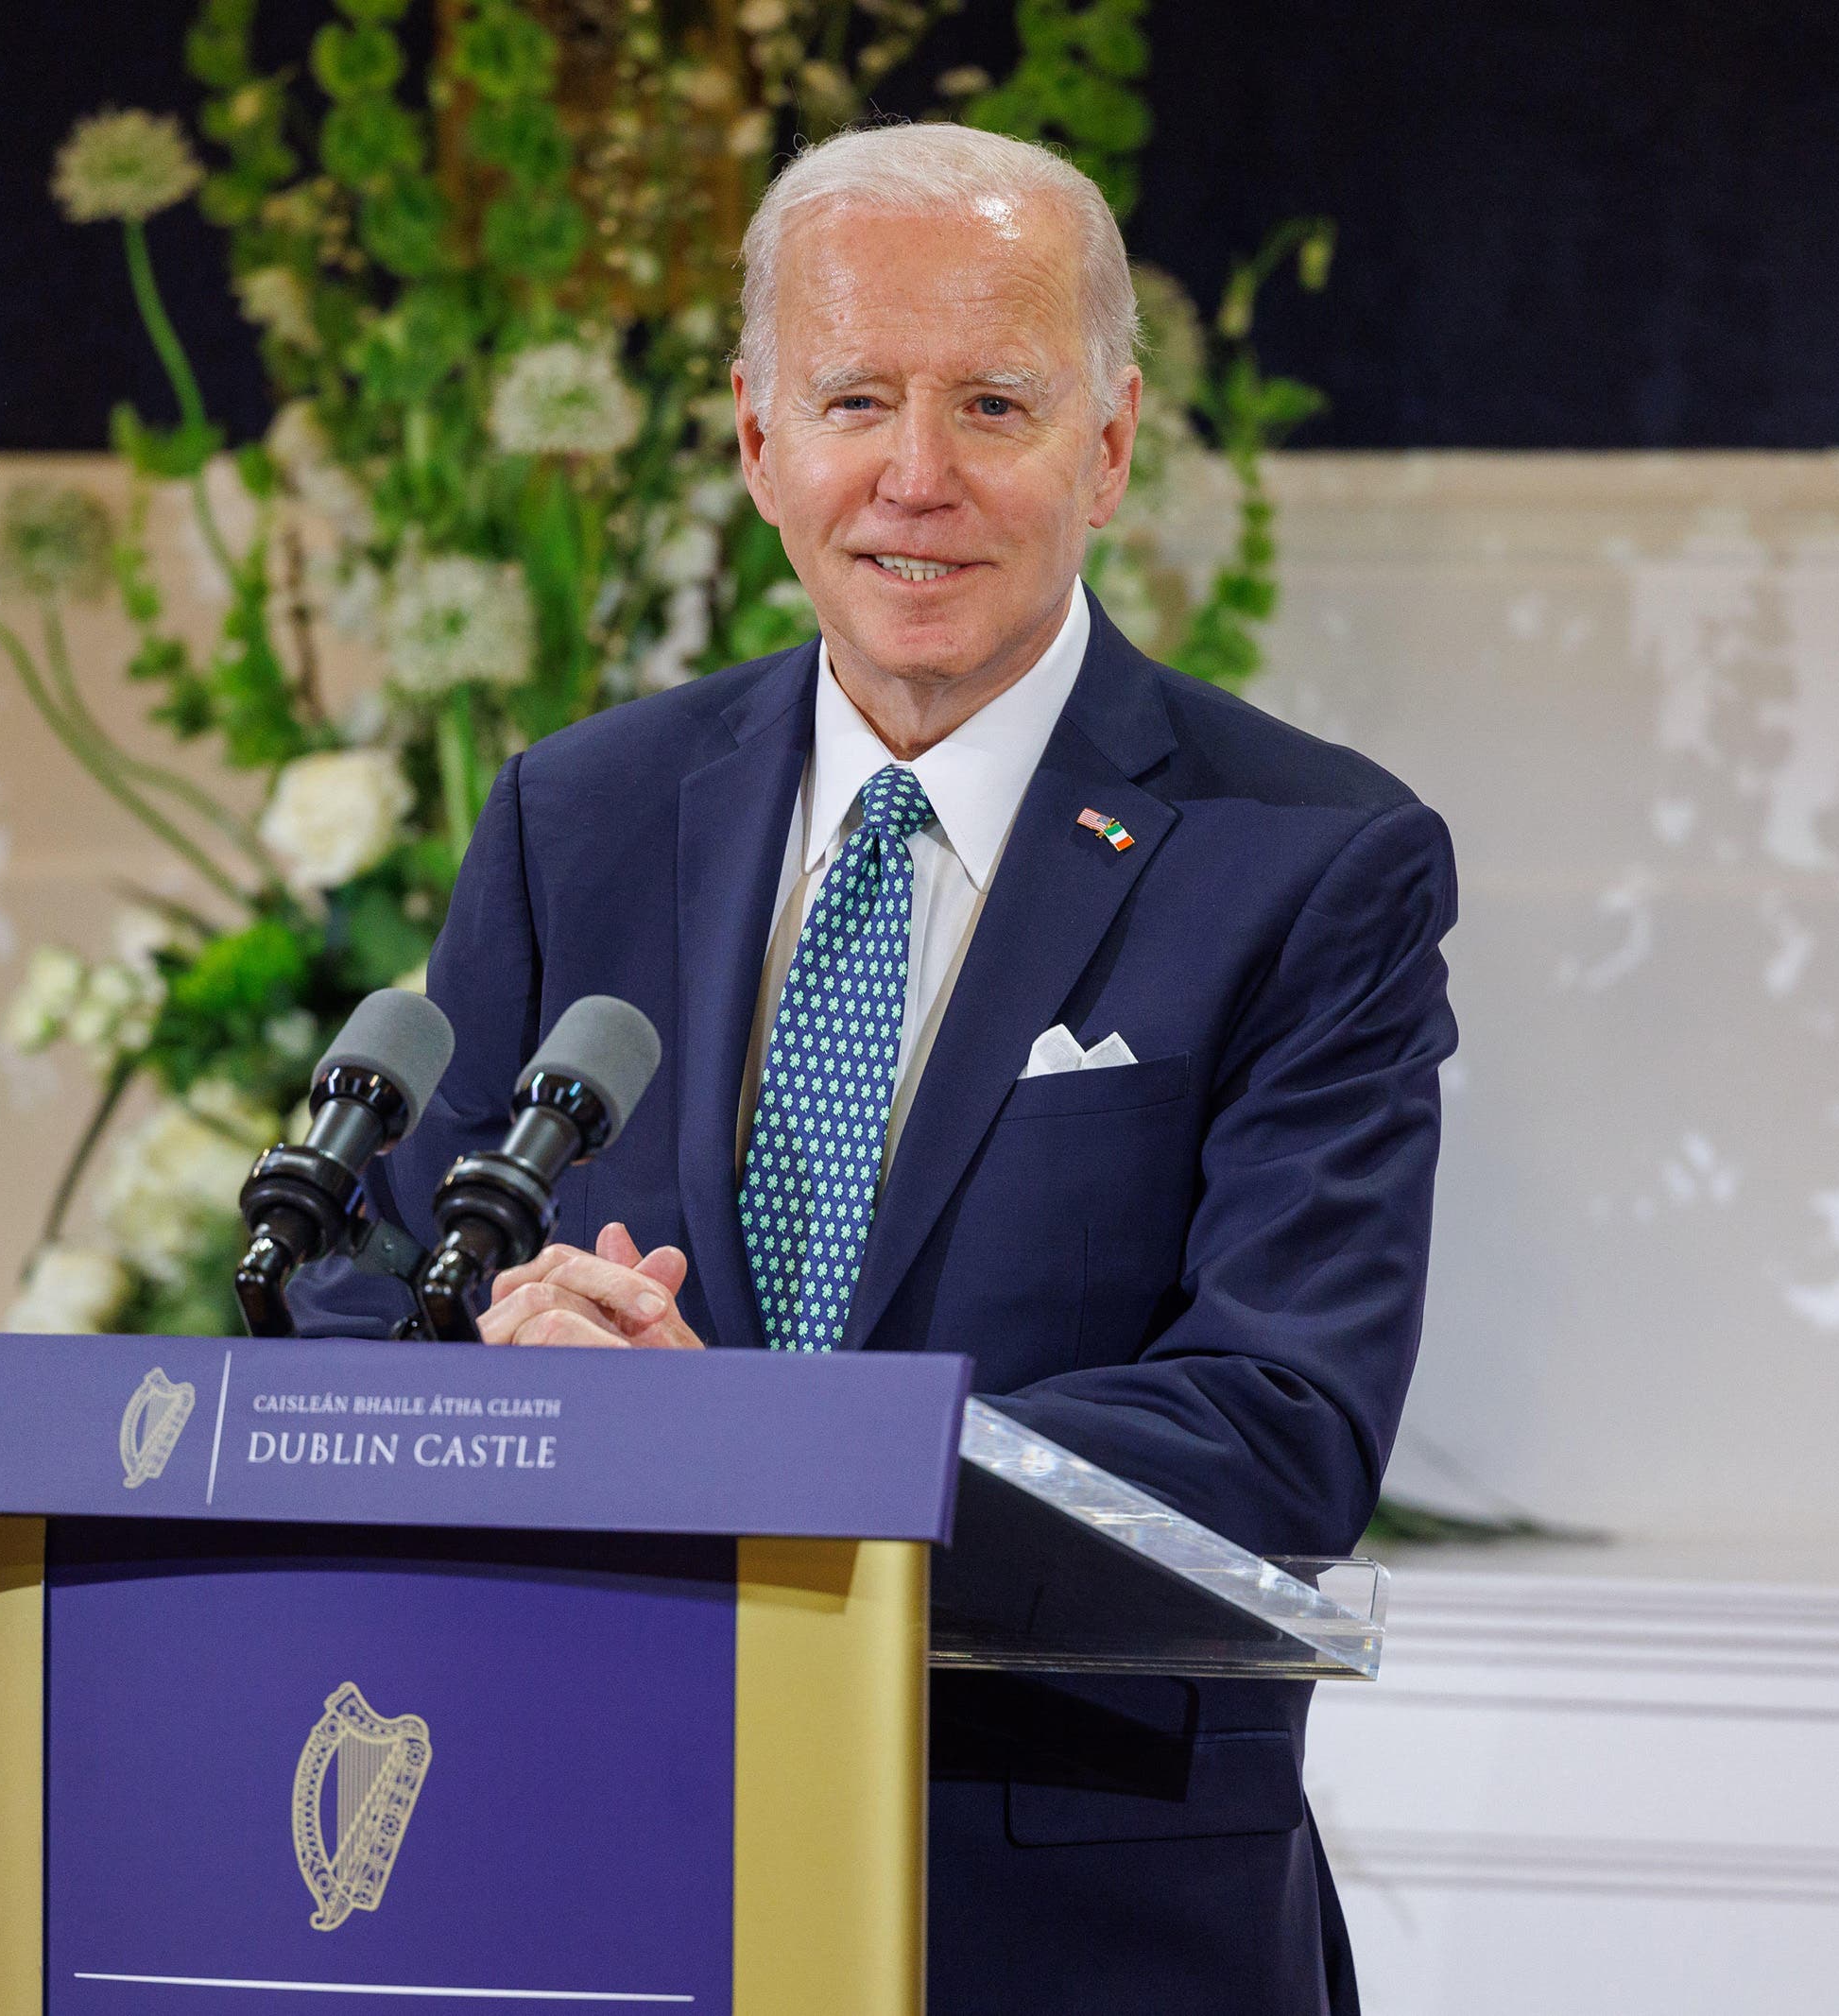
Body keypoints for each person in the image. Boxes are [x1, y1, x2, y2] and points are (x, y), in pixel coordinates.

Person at [294, 121, 1456, 2015]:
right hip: (590, 1857)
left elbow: (1277, 1422)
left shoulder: (1308, 860)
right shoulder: (574, 814)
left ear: (1106, 444)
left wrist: (752, 1445)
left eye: (992, 401)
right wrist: (515, 1364)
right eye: (853, 399)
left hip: (1071, 1918)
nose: (914, 479)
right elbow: (377, 1302)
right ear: (758, 439)